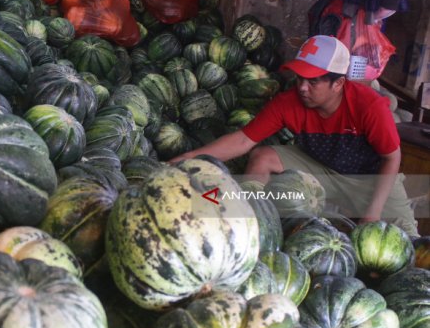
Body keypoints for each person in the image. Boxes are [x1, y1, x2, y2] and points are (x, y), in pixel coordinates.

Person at [169, 34, 419, 238]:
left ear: (339, 83)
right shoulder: (289, 102)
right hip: (320, 169)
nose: (302, 87)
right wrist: (190, 156)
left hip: (369, 179)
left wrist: (372, 213)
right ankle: (250, 223)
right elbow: (244, 140)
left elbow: (391, 158)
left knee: (408, 239)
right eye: (300, 78)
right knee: (263, 157)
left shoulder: (370, 106)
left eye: (313, 82)